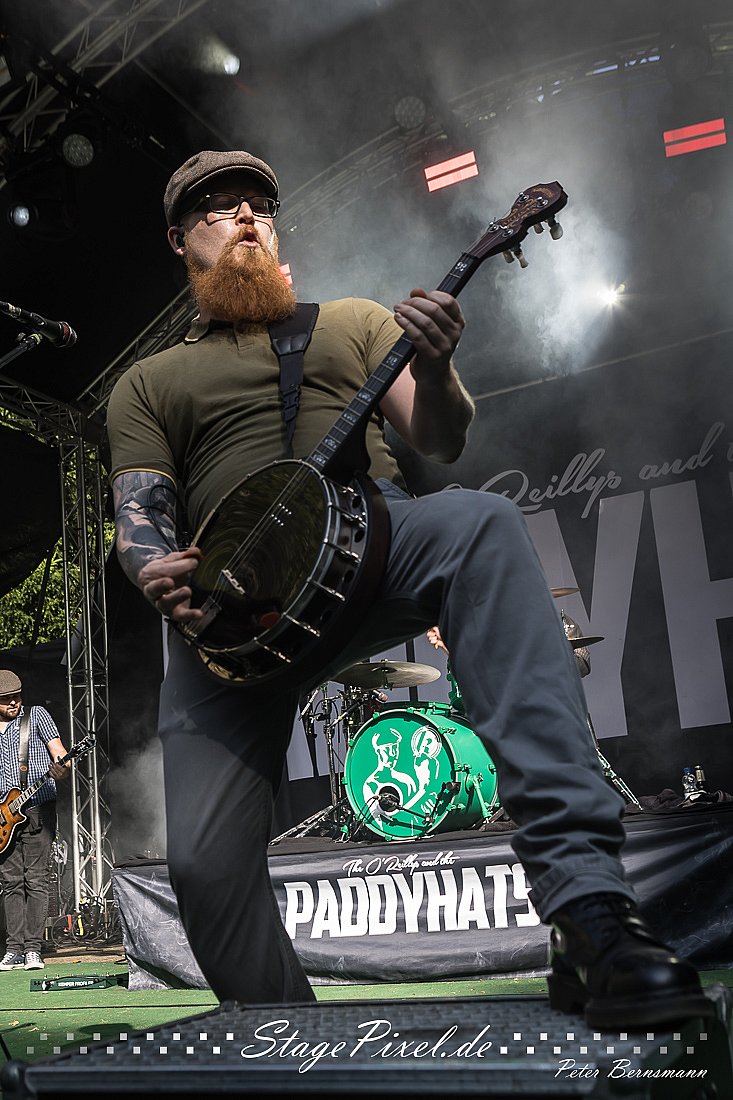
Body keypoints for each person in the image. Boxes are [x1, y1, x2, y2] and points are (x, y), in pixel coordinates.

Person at [106, 148, 710, 1028]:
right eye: (218, 208)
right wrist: (151, 566)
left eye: (257, 207)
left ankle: (589, 911)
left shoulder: (349, 323)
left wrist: (432, 367)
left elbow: (441, 437)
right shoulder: (145, 381)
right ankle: (286, 1036)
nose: (243, 219)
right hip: (230, 611)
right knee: (201, 865)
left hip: (371, 542)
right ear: (178, 239)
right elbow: (139, 512)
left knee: (479, 522)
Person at [0, 670, 70, 970]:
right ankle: (13, 949)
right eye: (6, 699)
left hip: (37, 808)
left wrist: (63, 768)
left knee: (36, 879)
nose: (14, 702)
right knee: (10, 882)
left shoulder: (36, 716)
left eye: (16, 696)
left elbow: (61, 754)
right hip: (3, 818)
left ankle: (32, 948)